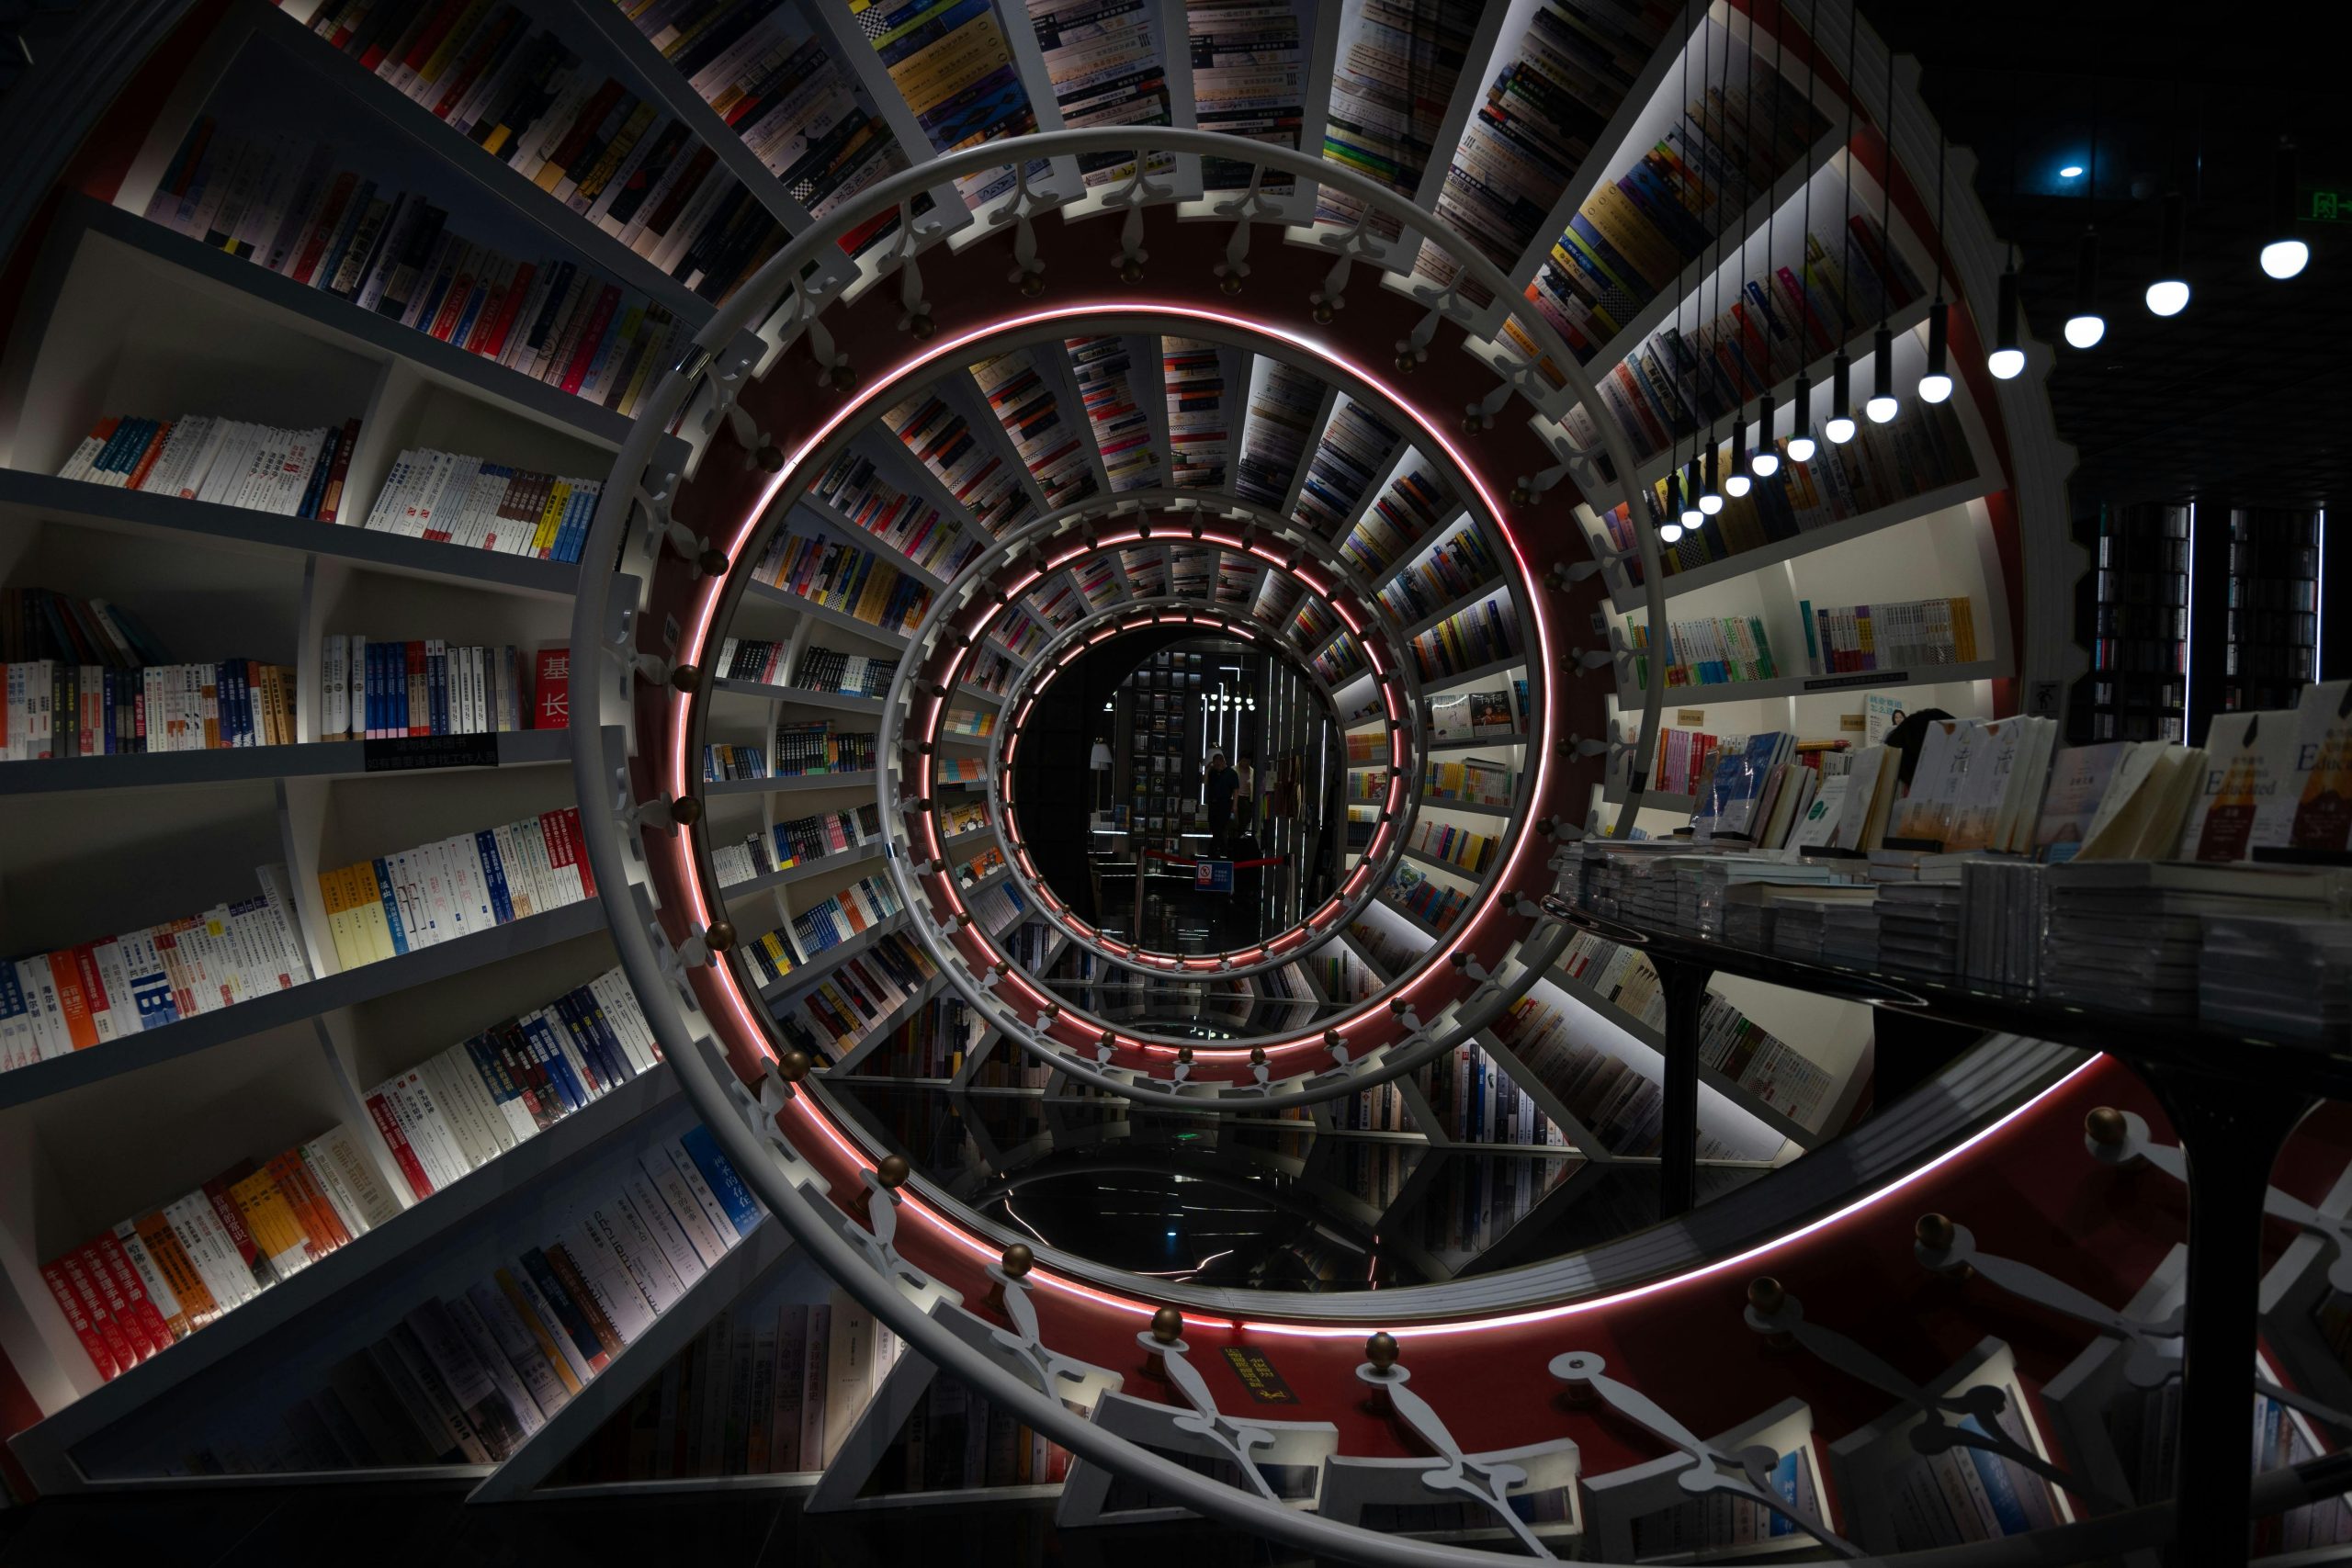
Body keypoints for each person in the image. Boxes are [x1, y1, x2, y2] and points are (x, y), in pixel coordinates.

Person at [1203, 750, 1238, 845]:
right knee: (1214, 826)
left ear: (1223, 762)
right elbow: (1205, 783)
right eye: (1215, 765)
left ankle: (1215, 850)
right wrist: (1207, 770)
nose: (1217, 767)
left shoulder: (1231, 773)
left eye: (1219, 765)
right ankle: (1220, 849)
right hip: (1213, 803)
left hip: (1225, 803)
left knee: (1221, 827)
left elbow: (1235, 789)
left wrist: (1234, 805)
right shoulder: (1213, 772)